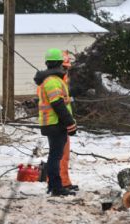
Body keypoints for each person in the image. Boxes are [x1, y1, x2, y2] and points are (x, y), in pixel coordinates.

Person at [34, 48, 77, 196]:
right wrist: (70, 123)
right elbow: (58, 104)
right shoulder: (53, 81)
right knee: (56, 157)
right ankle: (57, 187)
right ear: (59, 64)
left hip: (51, 123)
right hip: (55, 123)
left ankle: (54, 186)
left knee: (55, 156)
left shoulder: (50, 80)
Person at [58, 50, 79, 192]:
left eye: (67, 68)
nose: (66, 71)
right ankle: (60, 183)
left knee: (64, 156)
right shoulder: (55, 82)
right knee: (59, 156)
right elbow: (57, 104)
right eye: (64, 68)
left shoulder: (62, 81)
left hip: (63, 123)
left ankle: (65, 182)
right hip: (59, 123)